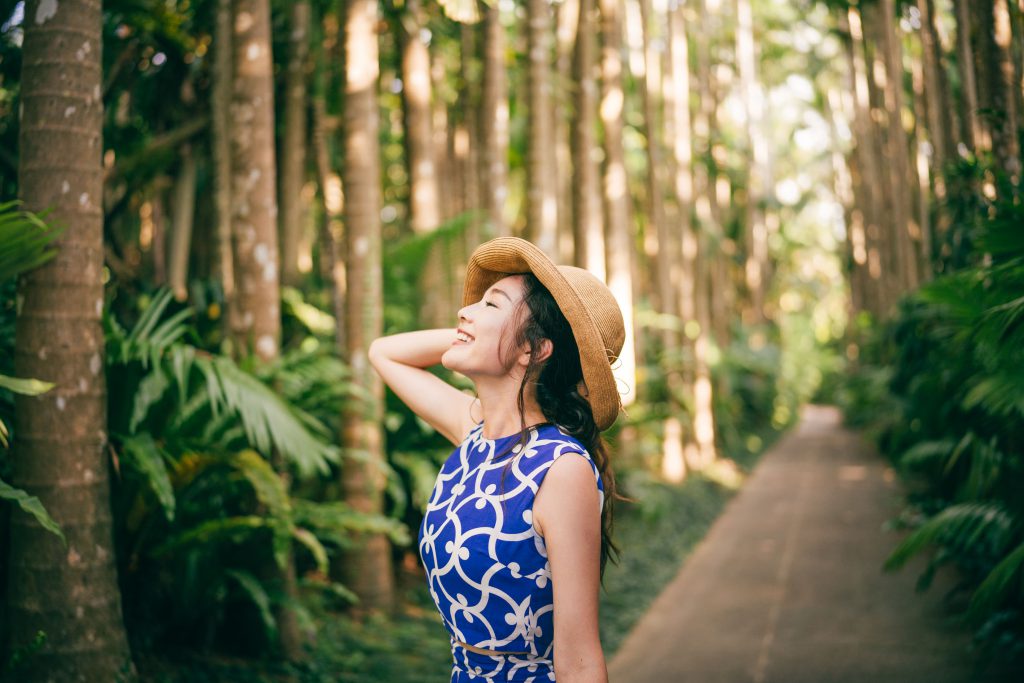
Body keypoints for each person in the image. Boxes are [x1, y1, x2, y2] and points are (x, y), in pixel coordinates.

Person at [368, 237, 627, 682]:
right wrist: (479, 334)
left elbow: (581, 660)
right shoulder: (474, 433)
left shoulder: (561, 469)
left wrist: (495, 337)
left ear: (535, 349)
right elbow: (383, 353)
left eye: (491, 304)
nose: (463, 312)